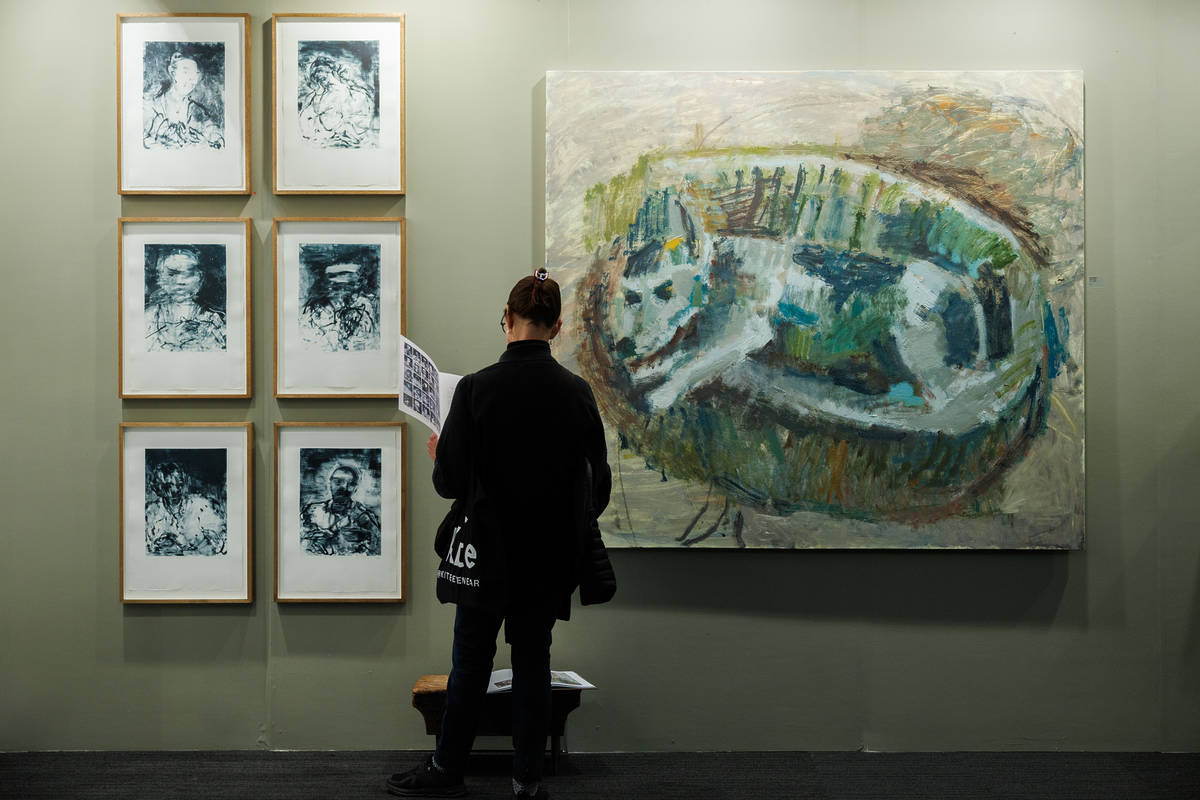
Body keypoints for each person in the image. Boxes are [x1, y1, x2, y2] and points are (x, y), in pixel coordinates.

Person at [388, 270, 611, 800]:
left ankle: (446, 770)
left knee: (470, 658)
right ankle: (527, 780)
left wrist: (441, 455)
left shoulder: (475, 389)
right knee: (533, 659)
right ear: (555, 326)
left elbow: (449, 483)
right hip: (547, 554)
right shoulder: (577, 394)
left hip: (485, 550)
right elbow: (597, 487)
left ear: (506, 320)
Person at [144, 247, 226, 352]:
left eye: (188, 274)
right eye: (171, 274)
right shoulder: (149, 317)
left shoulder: (213, 320)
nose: (180, 281)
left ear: (200, 278)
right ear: (160, 277)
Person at [143, 51, 224, 150]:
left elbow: (218, 139)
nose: (192, 79)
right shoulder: (152, 106)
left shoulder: (197, 111)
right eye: (186, 72)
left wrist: (204, 143)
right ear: (172, 72)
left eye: (195, 73)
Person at [145, 461, 226, 556]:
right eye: (169, 486)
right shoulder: (151, 511)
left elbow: (221, 544)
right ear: (159, 487)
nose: (176, 490)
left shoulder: (201, 505)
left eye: (179, 484)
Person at [300, 464, 382, 555]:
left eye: (351, 484)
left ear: (356, 488)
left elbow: (378, 548)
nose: (344, 487)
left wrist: (365, 538)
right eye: (338, 482)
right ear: (330, 483)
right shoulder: (312, 511)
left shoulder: (364, 517)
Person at [298, 53, 376, 148]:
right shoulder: (320, 95)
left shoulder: (357, 94)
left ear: (332, 71)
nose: (322, 80)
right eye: (319, 78)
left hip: (343, 134)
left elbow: (361, 122)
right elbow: (308, 118)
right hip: (325, 134)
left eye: (324, 75)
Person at [300, 261, 379, 351]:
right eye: (337, 285)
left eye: (348, 285)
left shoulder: (364, 306)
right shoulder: (314, 310)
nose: (342, 291)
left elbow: (368, 340)